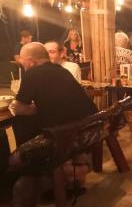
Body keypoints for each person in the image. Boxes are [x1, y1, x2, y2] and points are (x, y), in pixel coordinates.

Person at [8, 43, 97, 189]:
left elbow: (19, 108)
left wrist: (29, 108)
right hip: (88, 130)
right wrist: (39, 107)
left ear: (30, 61)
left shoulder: (32, 73)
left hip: (65, 136)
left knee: (19, 130)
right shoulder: (62, 71)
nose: (21, 63)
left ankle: (25, 176)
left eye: (22, 60)